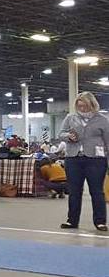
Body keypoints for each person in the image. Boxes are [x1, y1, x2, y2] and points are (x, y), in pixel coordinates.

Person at [58, 92, 109, 231]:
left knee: (97, 191)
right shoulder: (70, 118)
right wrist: (68, 136)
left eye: (85, 105)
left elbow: (108, 142)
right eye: (79, 106)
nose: (82, 108)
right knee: (74, 191)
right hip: (73, 159)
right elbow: (60, 134)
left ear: (92, 104)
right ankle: (72, 221)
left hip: (96, 160)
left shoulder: (102, 120)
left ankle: (100, 221)